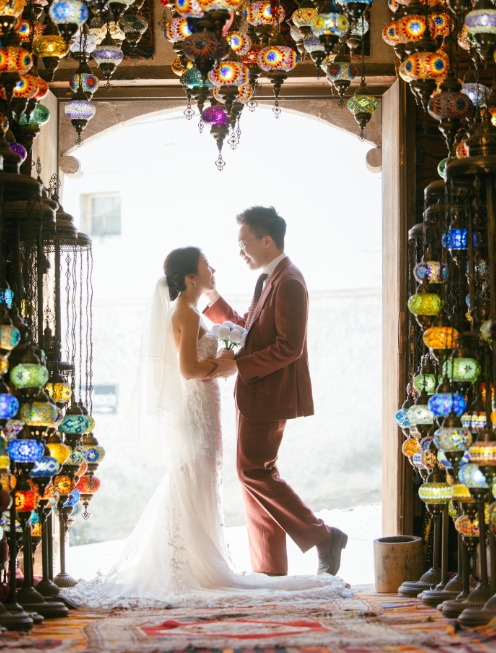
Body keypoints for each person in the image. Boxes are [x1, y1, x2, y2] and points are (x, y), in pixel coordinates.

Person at [61, 246, 348, 609]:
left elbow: (245, 330)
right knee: (204, 477)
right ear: (190, 277)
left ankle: (210, 561)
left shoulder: (198, 308)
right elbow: (189, 370)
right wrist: (227, 361)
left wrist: (227, 349)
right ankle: (195, 564)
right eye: (205, 265)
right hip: (198, 407)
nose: (215, 266)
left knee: (206, 479)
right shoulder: (186, 313)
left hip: (206, 406)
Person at [205, 206, 348, 578]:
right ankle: (269, 572)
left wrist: (236, 365)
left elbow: (289, 347)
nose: (241, 252)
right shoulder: (270, 278)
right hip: (253, 392)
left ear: (267, 240)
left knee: (254, 471)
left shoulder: (289, 281)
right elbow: (246, 330)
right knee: (252, 476)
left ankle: (324, 536)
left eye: (244, 243)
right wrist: (211, 297)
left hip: (268, 392)